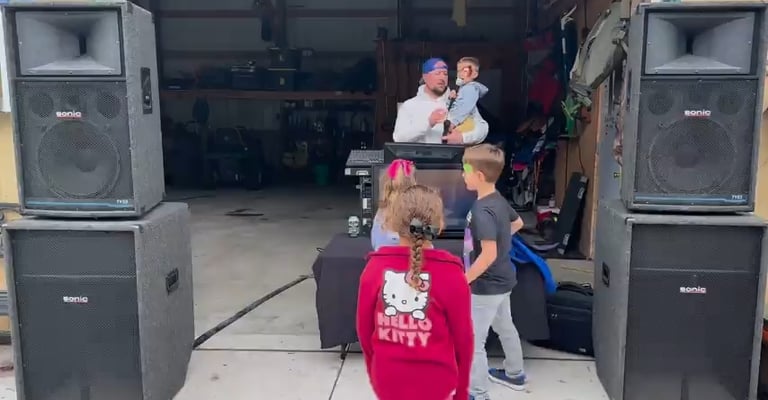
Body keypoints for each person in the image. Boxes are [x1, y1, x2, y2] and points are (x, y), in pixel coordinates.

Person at [356, 185, 474, 400]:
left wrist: (375, 372)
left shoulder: (374, 269)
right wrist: (462, 391)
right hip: (438, 384)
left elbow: (364, 331)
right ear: (440, 225)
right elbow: (463, 341)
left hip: (387, 381)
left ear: (392, 223)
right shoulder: (451, 274)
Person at [461, 144, 527, 400]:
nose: (462, 174)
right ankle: (515, 374)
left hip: (485, 287)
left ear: (478, 175)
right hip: (503, 280)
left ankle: (477, 393)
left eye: (465, 170)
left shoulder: (482, 211)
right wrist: (501, 242)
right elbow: (518, 222)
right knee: (505, 326)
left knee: (473, 340)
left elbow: (487, 255)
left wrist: (464, 279)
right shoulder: (497, 199)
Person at [393, 58, 488, 145]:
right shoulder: (409, 105)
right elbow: (399, 138)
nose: (442, 78)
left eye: (445, 74)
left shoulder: (460, 101)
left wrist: (463, 138)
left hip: (453, 158)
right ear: (425, 77)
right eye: (437, 73)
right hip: (419, 158)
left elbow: (483, 128)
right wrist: (428, 123)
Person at [370, 159, 417, 251]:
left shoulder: (380, 214)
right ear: (414, 183)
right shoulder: (419, 211)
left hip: (383, 258)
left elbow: (375, 244)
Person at [447, 57, 489, 136]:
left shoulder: (471, 88)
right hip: (459, 121)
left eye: (465, 71)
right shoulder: (462, 89)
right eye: (458, 71)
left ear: (474, 74)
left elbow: (466, 108)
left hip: (466, 122)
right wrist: (450, 99)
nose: (460, 74)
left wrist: (453, 123)